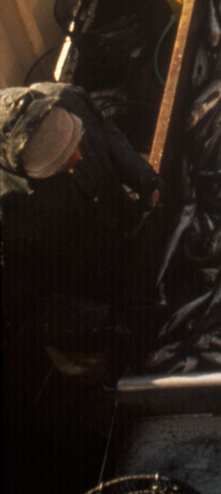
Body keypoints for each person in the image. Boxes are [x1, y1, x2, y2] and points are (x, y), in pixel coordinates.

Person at [0, 82, 162, 357]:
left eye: (76, 138)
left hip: (122, 227)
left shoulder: (65, 96)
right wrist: (105, 318)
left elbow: (106, 134)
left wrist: (143, 176)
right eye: (62, 162)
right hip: (85, 295)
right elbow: (29, 308)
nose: (78, 155)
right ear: (33, 172)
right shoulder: (8, 212)